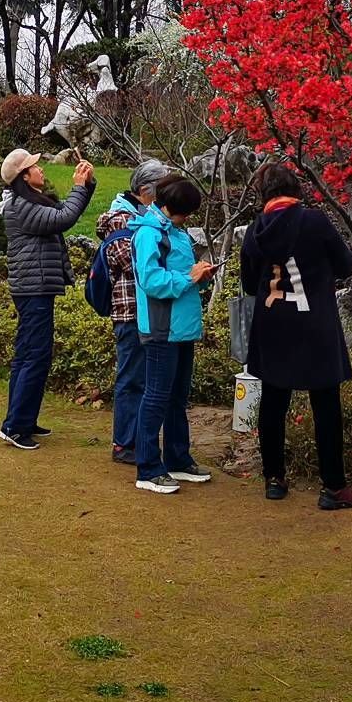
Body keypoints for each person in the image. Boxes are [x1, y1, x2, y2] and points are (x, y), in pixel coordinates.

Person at [240, 162, 352, 509]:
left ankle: (274, 479)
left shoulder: (255, 230)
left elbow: (250, 284)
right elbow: (345, 266)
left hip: (272, 325)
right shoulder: (315, 221)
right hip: (315, 324)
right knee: (326, 404)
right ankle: (334, 487)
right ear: (295, 188)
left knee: (273, 402)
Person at [0, 147, 96, 451]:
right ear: (23, 177)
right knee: (35, 355)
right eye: (34, 167)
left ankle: (21, 420)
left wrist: (86, 186)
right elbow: (64, 217)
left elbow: (62, 212)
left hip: (33, 287)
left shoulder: (24, 202)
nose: (41, 169)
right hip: (33, 288)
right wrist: (79, 187)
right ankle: (16, 426)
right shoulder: (22, 206)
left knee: (29, 354)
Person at [130, 175, 215, 494]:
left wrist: (201, 276)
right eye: (186, 212)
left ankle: (178, 459)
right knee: (155, 396)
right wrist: (189, 277)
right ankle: (148, 467)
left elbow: (184, 278)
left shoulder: (174, 232)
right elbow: (151, 281)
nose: (188, 218)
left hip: (182, 327)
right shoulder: (149, 234)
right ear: (172, 208)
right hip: (161, 327)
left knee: (177, 398)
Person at [94, 159, 171, 465]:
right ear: (144, 191)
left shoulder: (143, 217)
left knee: (144, 379)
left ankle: (138, 439)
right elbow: (138, 267)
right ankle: (124, 442)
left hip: (147, 313)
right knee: (131, 378)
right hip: (129, 312)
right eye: (162, 191)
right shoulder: (122, 220)